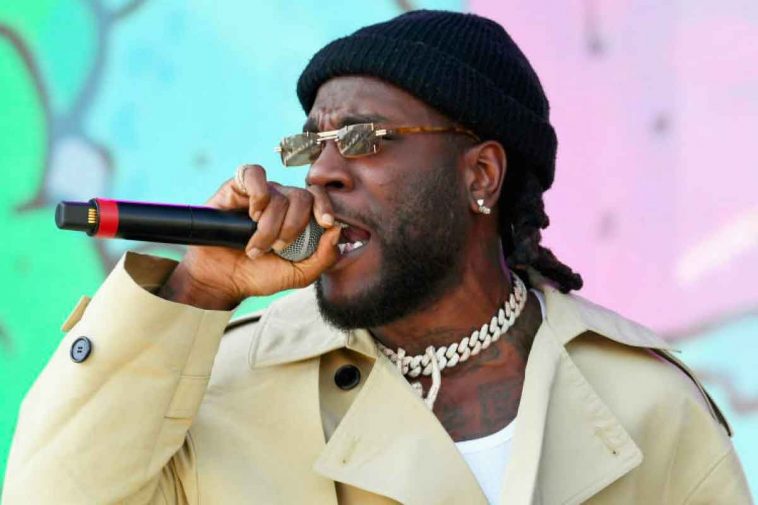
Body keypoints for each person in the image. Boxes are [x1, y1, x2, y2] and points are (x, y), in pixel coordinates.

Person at [3, 10, 752, 505]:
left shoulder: (642, 403)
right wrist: (197, 286)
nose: (324, 172)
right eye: (311, 144)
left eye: (365, 138)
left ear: (480, 176)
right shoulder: (218, 383)